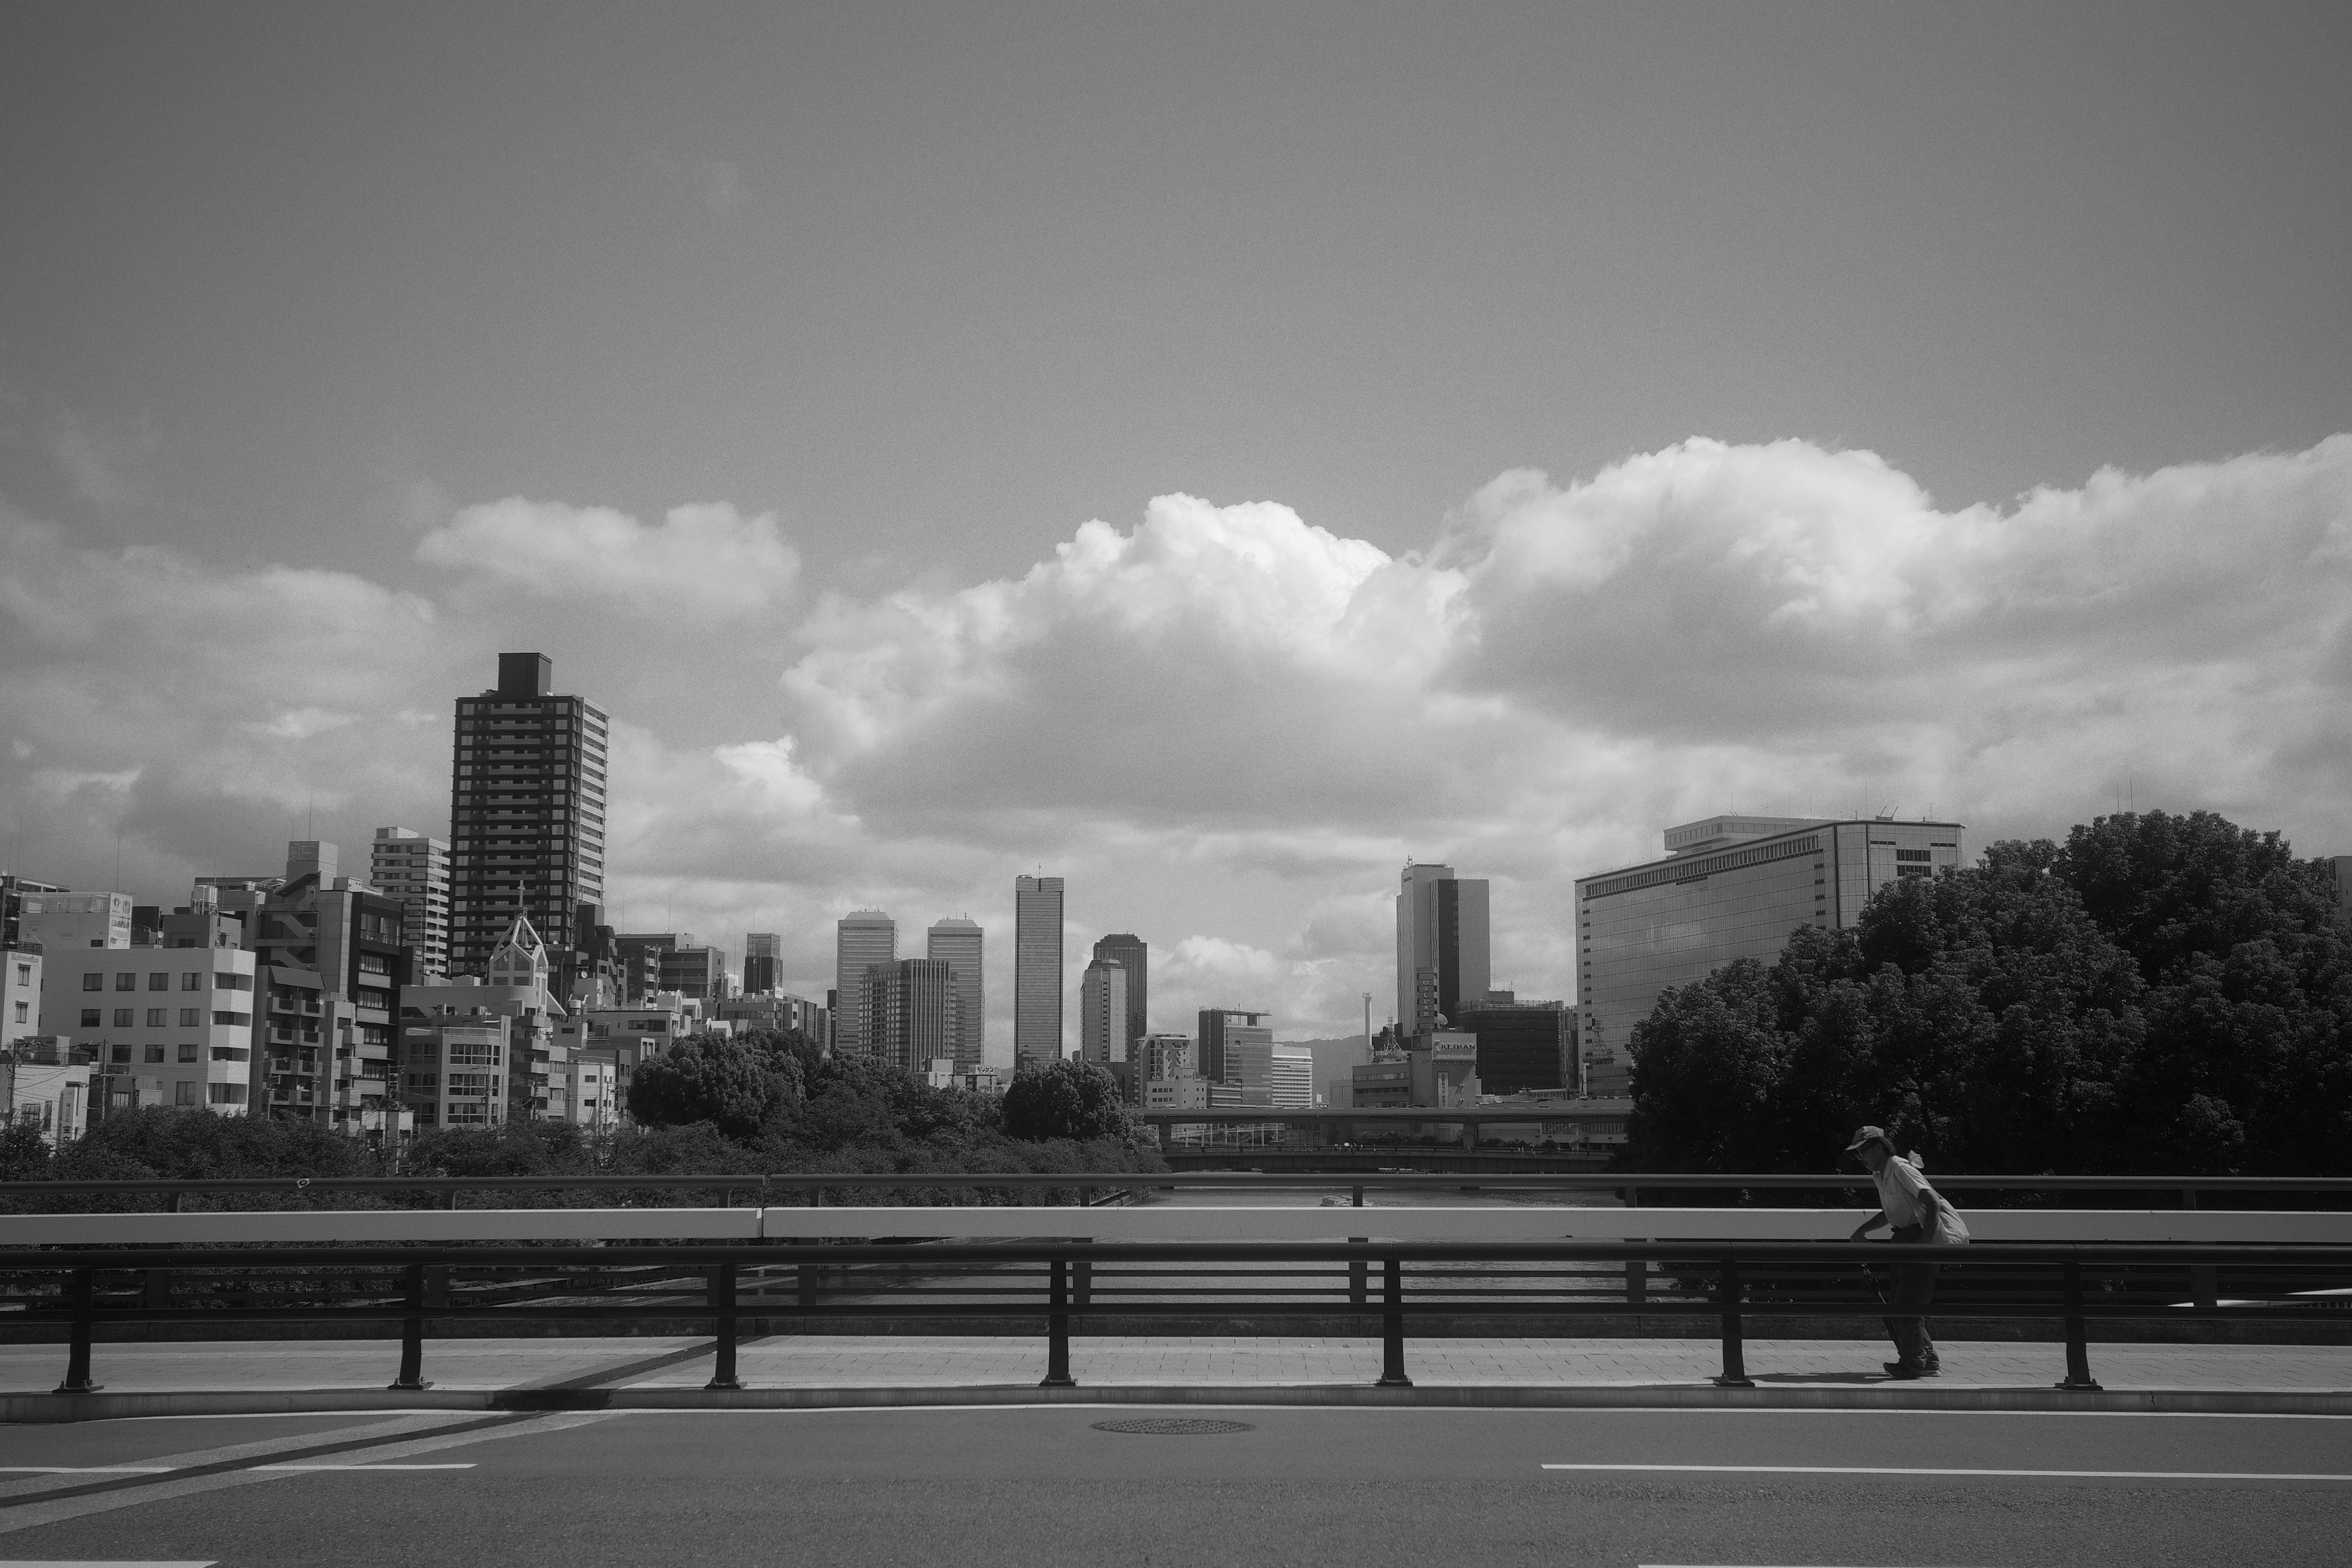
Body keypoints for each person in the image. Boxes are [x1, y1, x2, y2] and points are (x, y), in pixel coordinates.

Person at [1844, 1125, 1969, 1379]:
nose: (1861, 1159)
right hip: (1903, 1238)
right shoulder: (1881, 1174)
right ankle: (1928, 1359)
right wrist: (1863, 1231)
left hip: (1915, 1238)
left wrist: (1923, 1242)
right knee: (1907, 1302)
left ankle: (1912, 1364)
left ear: (1879, 1147)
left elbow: (1931, 1201)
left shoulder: (1900, 1168)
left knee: (1906, 1304)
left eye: (1863, 1152)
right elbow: (1891, 1213)